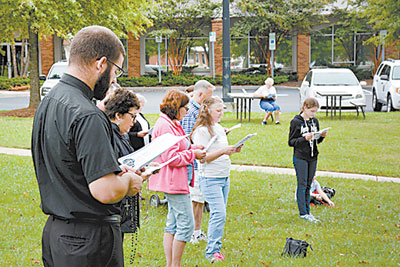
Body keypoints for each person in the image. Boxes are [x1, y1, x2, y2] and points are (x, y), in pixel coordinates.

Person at [31, 25, 144, 267]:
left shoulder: (49, 101)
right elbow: (105, 190)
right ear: (101, 63)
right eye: (117, 70)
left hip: (56, 234)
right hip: (89, 240)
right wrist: (129, 182)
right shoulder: (88, 115)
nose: (114, 80)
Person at [147, 89, 206, 267]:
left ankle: (171, 264)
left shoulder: (172, 123)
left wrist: (194, 147)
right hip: (172, 181)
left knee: (172, 224)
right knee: (187, 224)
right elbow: (171, 158)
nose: (187, 112)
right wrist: (193, 155)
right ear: (176, 107)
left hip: (176, 180)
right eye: (185, 108)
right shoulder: (165, 126)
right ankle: (175, 264)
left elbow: (180, 147)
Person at [191, 96, 242, 263]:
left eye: (222, 110)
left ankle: (215, 247)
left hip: (223, 177)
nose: (221, 113)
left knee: (220, 214)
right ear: (208, 111)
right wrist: (223, 151)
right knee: (218, 214)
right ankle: (212, 252)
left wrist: (233, 150)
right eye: (218, 110)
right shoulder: (201, 131)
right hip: (210, 178)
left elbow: (220, 150)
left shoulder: (218, 128)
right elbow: (203, 158)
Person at [104, 88, 142, 241]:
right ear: (118, 115)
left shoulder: (122, 135)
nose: (134, 122)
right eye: (132, 117)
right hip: (114, 207)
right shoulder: (108, 136)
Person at [181, 80, 215, 244]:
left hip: (198, 161)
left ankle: (197, 230)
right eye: (209, 97)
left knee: (199, 199)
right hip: (192, 164)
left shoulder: (198, 109)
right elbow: (187, 139)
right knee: (194, 199)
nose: (210, 101)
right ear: (200, 94)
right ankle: (193, 232)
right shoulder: (190, 112)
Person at [288, 97, 328, 223]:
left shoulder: (314, 121)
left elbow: (316, 141)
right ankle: (303, 212)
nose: (313, 114)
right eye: (311, 111)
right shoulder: (296, 121)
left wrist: (321, 137)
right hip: (300, 157)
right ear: (305, 108)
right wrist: (304, 138)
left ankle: (308, 211)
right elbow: (291, 142)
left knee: (309, 184)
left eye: (315, 112)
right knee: (302, 183)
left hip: (313, 156)